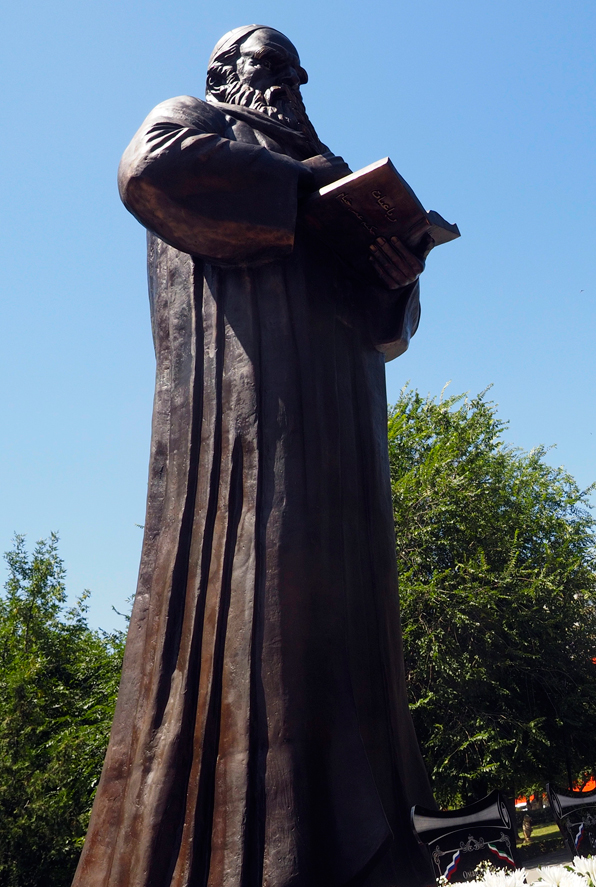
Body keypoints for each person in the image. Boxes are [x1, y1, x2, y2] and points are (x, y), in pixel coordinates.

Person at [73, 27, 439, 887]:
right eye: (270, 65)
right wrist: (300, 191)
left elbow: (390, 327)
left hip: (343, 436)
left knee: (351, 628)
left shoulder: (330, 165)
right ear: (223, 75)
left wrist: (395, 271)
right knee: (257, 606)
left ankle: (377, 843)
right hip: (243, 432)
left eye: (295, 69)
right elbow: (147, 171)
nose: (288, 81)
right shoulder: (193, 121)